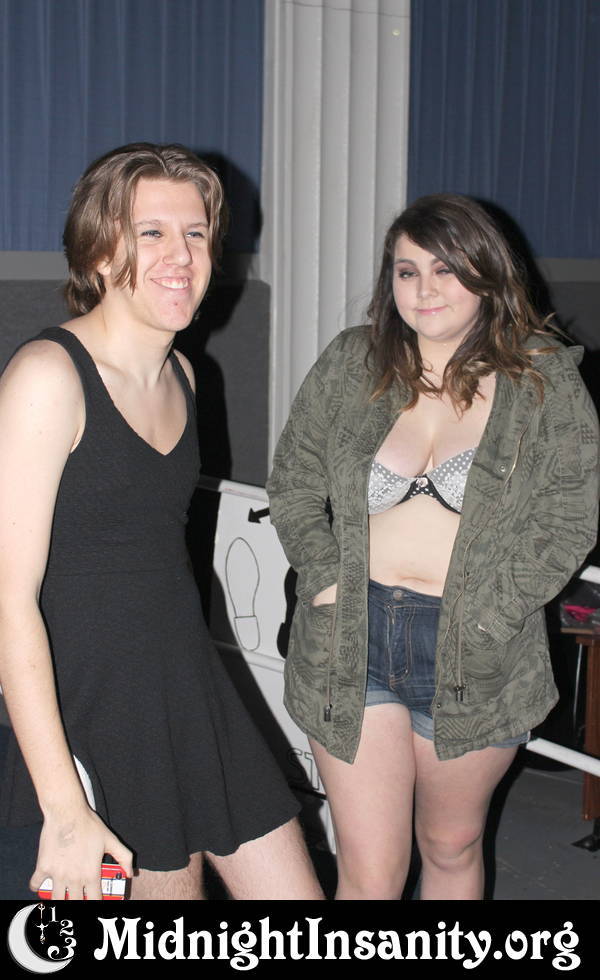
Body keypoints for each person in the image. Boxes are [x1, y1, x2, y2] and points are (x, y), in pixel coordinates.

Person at [0, 143, 323, 901]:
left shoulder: (184, 374)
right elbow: (8, 600)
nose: (181, 256)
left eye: (196, 234)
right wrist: (65, 808)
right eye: (152, 233)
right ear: (99, 250)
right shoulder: (49, 376)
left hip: (186, 680)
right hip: (98, 706)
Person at [267, 193, 600, 900]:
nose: (425, 290)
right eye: (407, 271)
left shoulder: (541, 379)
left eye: (447, 270)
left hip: (475, 648)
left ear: (487, 274)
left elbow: (570, 516)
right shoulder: (354, 361)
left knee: (451, 845)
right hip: (349, 633)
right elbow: (294, 479)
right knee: (371, 871)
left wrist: (490, 615)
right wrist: (323, 576)